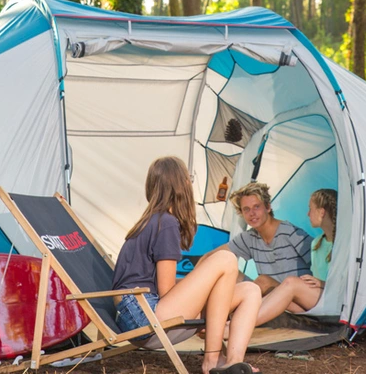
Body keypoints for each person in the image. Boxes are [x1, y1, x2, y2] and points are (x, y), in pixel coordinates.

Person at [112, 157, 262, 374]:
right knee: (226, 259)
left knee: (251, 290)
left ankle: (233, 364)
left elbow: (167, 288)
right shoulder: (166, 223)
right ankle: (212, 360)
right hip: (143, 315)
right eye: (188, 179)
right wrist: (203, 293)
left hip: (141, 311)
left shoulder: (155, 220)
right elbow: (167, 291)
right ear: (181, 184)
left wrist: (205, 292)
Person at [208, 182, 312, 295]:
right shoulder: (249, 237)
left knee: (263, 282)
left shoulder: (291, 232)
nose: (252, 213)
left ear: (267, 207)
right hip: (269, 298)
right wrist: (194, 280)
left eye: (256, 207)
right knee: (227, 269)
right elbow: (212, 257)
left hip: (297, 298)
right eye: (246, 209)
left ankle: (234, 308)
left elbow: (324, 263)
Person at [255, 188, 336, 325]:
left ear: (321, 212)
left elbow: (350, 285)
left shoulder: (344, 244)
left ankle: (240, 325)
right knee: (269, 285)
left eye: (310, 209)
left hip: (332, 301)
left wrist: (322, 283)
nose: (308, 213)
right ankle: (233, 318)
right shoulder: (317, 243)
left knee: (291, 283)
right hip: (314, 300)